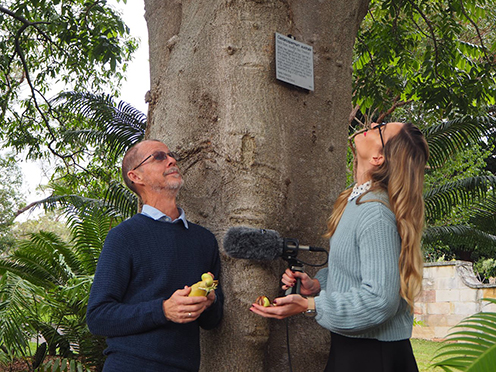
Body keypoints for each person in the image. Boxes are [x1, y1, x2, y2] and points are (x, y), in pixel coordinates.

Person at [250, 122, 428, 372]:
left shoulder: (375, 213)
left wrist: (310, 305)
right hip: (354, 350)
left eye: (382, 128)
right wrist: (319, 284)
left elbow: (380, 300)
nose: (374, 123)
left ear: (378, 157)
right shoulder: (356, 199)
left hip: (373, 357)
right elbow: (356, 271)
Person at [87, 139, 224, 372]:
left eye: (171, 155)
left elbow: (212, 323)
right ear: (136, 176)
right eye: (159, 157)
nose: (171, 160)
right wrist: (163, 310)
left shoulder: (204, 240)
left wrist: (209, 303)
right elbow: (98, 317)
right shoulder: (123, 237)